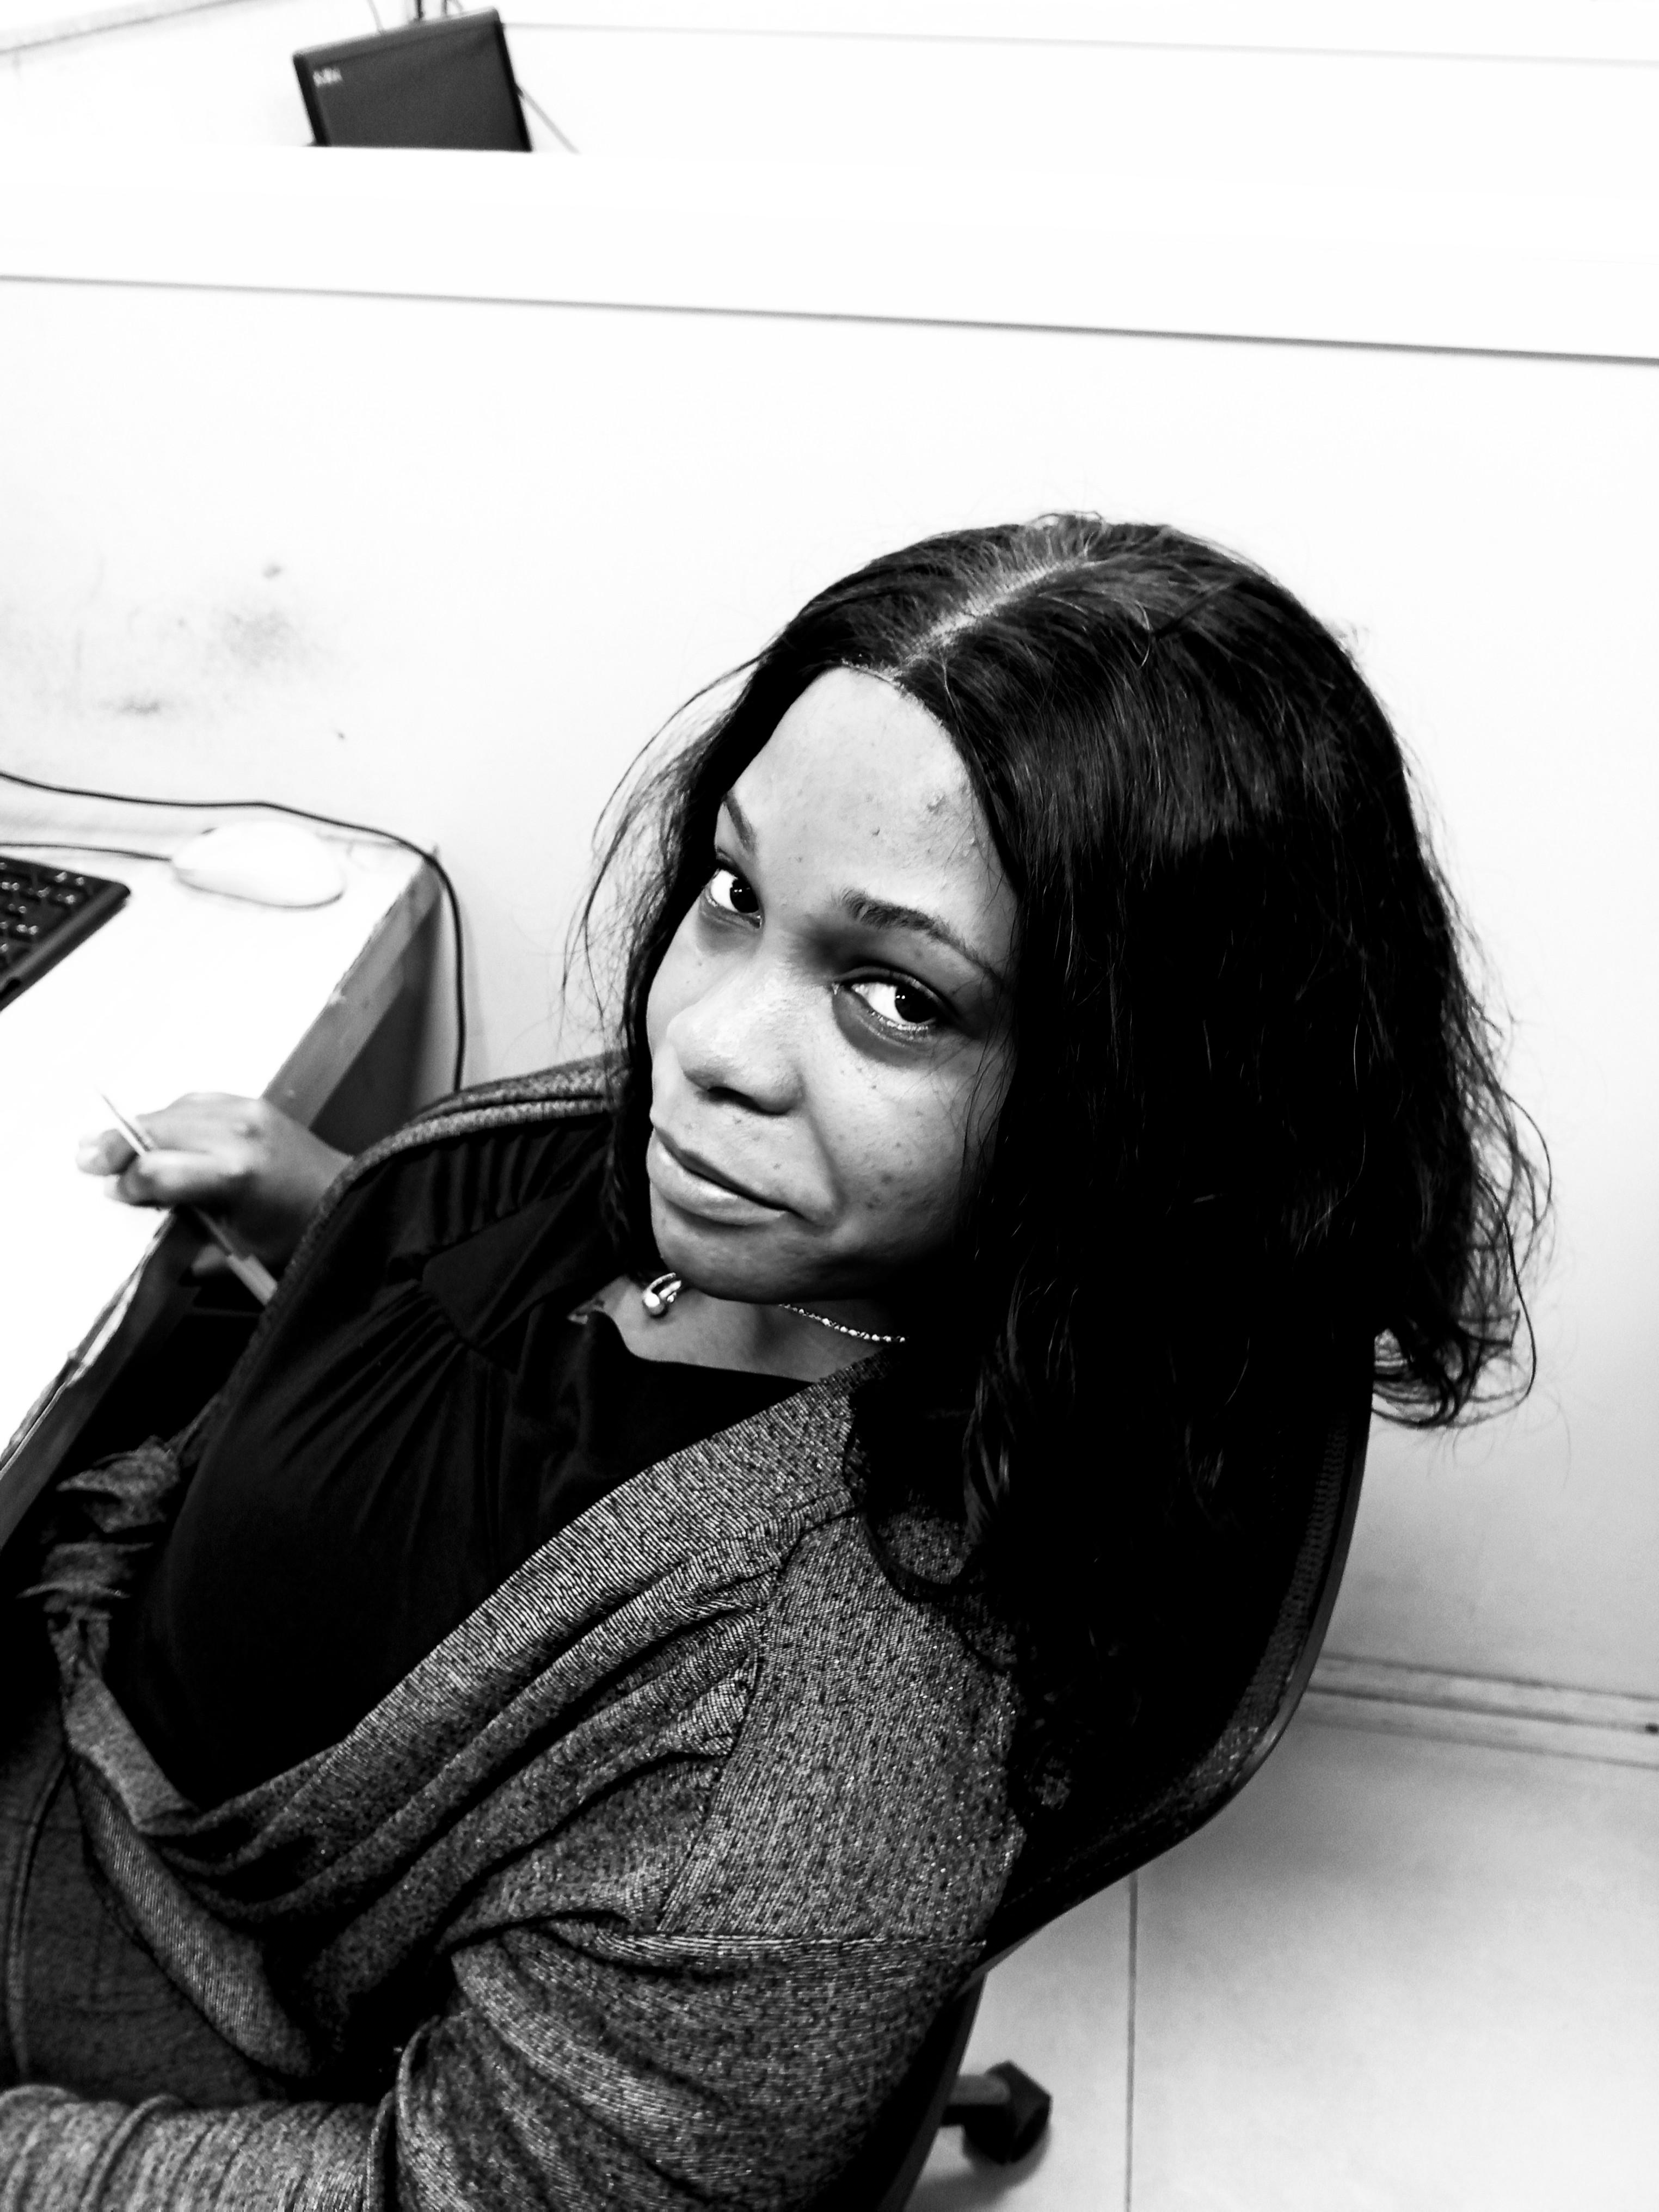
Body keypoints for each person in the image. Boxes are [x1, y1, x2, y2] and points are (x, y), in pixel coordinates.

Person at [0, 515, 1543, 2208]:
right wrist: (338, 1216)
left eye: (901, 999)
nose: (705, 1041)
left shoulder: (811, 1747)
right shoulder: (792, 1211)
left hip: (143, 1947)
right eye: (736, 894)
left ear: (1143, 1110)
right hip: (87, 1638)